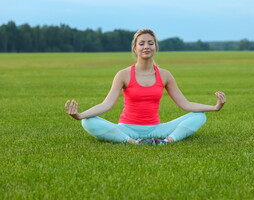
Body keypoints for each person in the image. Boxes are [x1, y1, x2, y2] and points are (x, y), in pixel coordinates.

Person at [64, 29, 226, 145]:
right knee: (88, 122)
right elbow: (107, 104)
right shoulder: (123, 74)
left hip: (157, 129)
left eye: (151, 43)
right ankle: (133, 142)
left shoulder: (165, 75)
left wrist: (215, 107)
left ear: (155, 47)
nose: (146, 46)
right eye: (142, 43)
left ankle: (166, 141)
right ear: (135, 48)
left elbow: (185, 104)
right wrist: (80, 115)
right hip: (126, 129)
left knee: (199, 116)